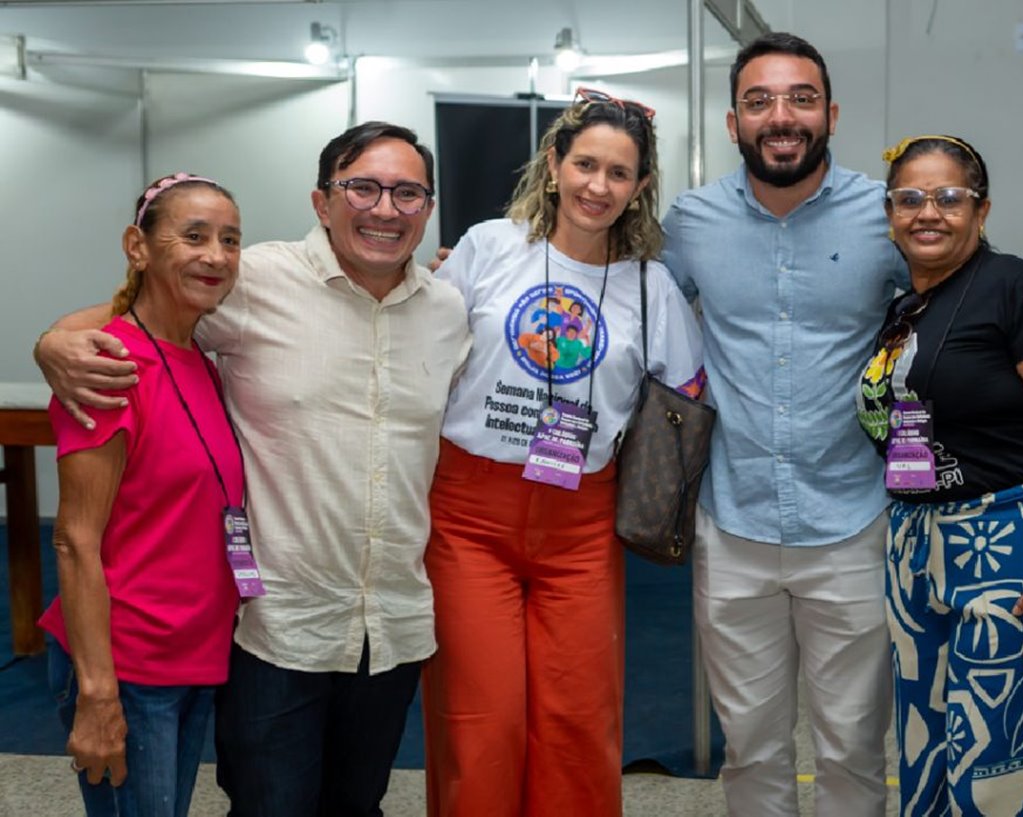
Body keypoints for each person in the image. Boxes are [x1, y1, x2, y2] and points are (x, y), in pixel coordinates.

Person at [659, 33, 1023, 816]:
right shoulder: (689, 222)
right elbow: (617, 294)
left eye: (799, 98)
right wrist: (484, 269)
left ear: (831, 113)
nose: (780, 116)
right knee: (750, 751)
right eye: (759, 101)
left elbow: (968, 277)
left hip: (860, 528)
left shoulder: (886, 214)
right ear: (732, 124)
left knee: (853, 748)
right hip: (735, 527)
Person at [34, 122, 471, 817]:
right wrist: (53, 340)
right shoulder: (251, 279)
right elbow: (140, 317)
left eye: (408, 192)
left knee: (358, 803)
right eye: (363, 187)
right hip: (278, 622)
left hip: (390, 623)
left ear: (427, 208)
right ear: (322, 201)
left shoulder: (450, 310)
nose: (385, 208)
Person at [421, 89, 705, 817]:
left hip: (582, 522)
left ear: (641, 187)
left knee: (578, 721)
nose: (597, 186)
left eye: (619, 173)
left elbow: (687, 397)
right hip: (469, 514)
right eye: (585, 164)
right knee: (483, 719)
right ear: (553, 164)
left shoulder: (651, 284)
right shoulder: (488, 247)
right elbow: (419, 352)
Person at [855, 134, 1023, 816]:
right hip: (921, 548)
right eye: (910, 198)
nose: (928, 212)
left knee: (1002, 774)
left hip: (1019, 552)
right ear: (889, 214)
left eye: (949, 197)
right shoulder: (904, 310)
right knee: (930, 756)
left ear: (982, 209)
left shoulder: (1017, 288)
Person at [40, 173, 244, 816]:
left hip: (193, 657)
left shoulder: (204, 363)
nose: (216, 255)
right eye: (194, 236)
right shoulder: (108, 367)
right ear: (139, 247)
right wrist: (99, 695)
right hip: (127, 666)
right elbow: (75, 540)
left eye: (231, 240)